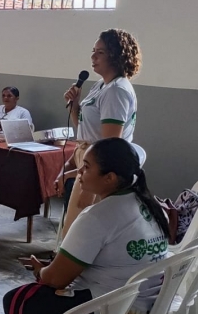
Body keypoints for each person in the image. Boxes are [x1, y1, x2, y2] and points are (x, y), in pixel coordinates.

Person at [3, 137, 169, 314]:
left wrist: (41, 270)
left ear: (110, 178)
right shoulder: (147, 204)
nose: (79, 173)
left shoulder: (98, 216)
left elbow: (57, 279)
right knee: (43, 299)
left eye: (86, 167)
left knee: (19, 302)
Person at [59, 29, 142, 239]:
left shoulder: (117, 90)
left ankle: (70, 269)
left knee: (83, 228)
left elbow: (109, 145)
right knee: (74, 221)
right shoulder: (100, 85)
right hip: (88, 160)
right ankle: (63, 266)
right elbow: (86, 129)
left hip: (99, 167)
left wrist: (79, 172)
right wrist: (75, 105)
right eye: (93, 51)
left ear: (116, 55)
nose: (93, 57)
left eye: (101, 52)